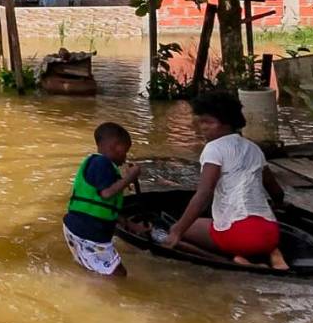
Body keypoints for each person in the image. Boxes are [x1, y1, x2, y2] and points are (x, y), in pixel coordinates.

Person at [164, 91, 289, 270]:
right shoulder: (254, 148)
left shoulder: (214, 149)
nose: (203, 127)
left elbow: (204, 193)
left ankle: (234, 260)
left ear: (227, 123)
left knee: (180, 229)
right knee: (248, 234)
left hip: (239, 235)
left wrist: (177, 230)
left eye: (209, 122)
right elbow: (276, 192)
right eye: (201, 121)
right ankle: (273, 253)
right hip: (270, 233)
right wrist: (279, 204)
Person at [63, 122, 141, 277]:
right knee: (118, 275)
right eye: (125, 151)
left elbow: (104, 207)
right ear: (115, 146)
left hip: (79, 228)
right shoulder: (102, 163)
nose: (125, 157)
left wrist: (131, 225)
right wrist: (130, 177)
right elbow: (106, 194)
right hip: (88, 231)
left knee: (97, 271)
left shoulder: (97, 164)